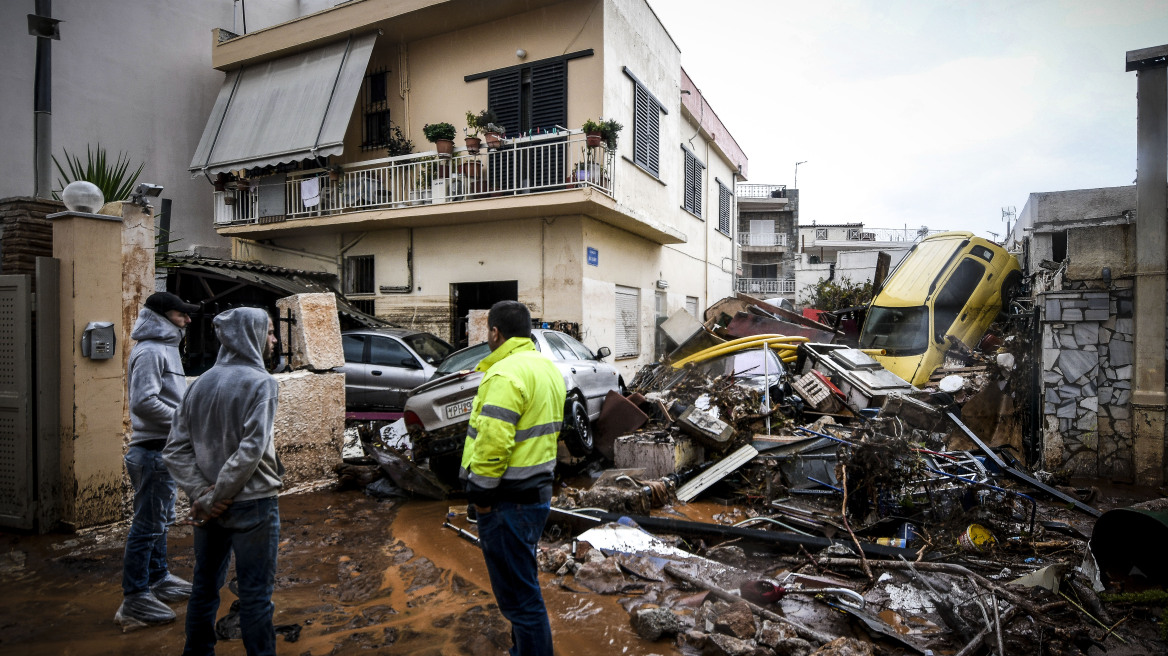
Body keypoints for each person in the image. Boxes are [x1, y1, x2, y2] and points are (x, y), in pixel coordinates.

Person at [163, 307, 282, 656]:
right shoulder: (262, 383)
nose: (274, 340)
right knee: (256, 596)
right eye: (269, 332)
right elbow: (251, 450)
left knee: (204, 589)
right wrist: (215, 495)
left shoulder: (199, 384)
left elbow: (175, 450)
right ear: (250, 335)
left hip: (208, 509)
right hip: (253, 504)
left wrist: (202, 494)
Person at [461, 301, 566, 656]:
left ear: (495, 332)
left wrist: (480, 496)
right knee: (524, 587)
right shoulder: (546, 367)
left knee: (520, 601)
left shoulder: (504, 374)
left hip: (508, 502)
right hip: (536, 494)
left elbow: (494, 443)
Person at [117, 291, 199, 628]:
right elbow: (144, 402)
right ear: (162, 316)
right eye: (181, 314)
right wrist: (186, 421)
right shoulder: (150, 350)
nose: (188, 319)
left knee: (159, 523)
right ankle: (135, 598)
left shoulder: (165, 348)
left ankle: (158, 579)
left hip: (163, 450)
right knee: (147, 527)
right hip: (151, 451)